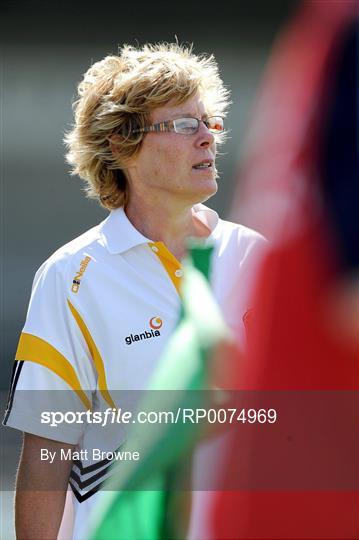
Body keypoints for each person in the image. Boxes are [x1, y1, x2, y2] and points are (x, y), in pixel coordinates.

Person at [3, 42, 264, 540]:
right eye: (186, 125)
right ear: (122, 145)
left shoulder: (258, 256)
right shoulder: (69, 276)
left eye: (211, 123)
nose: (208, 138)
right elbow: (46, 457)